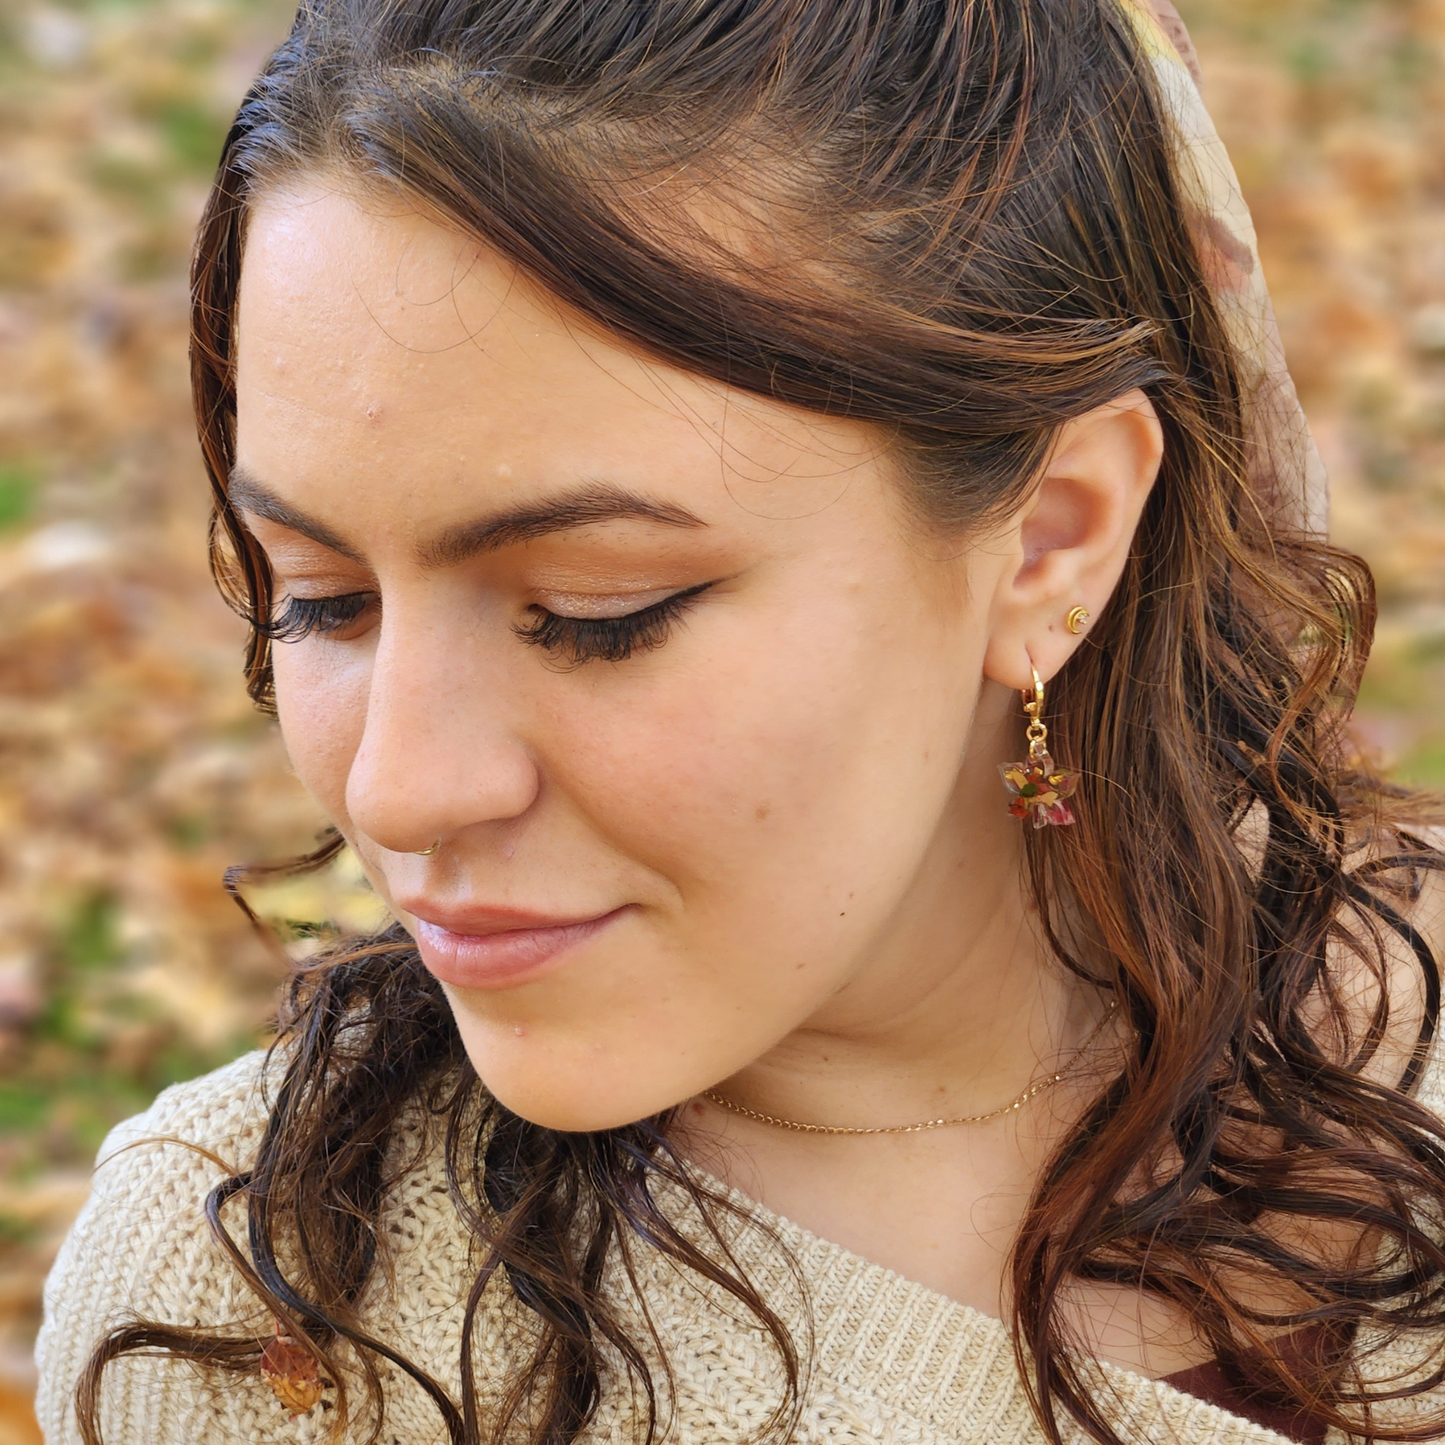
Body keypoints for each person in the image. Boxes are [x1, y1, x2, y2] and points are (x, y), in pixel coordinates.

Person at [33, 1, 1445, 1442]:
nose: (397, 791)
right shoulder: (258, 1322)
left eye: (597, 610)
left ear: (1051, 542)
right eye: (322, 597)